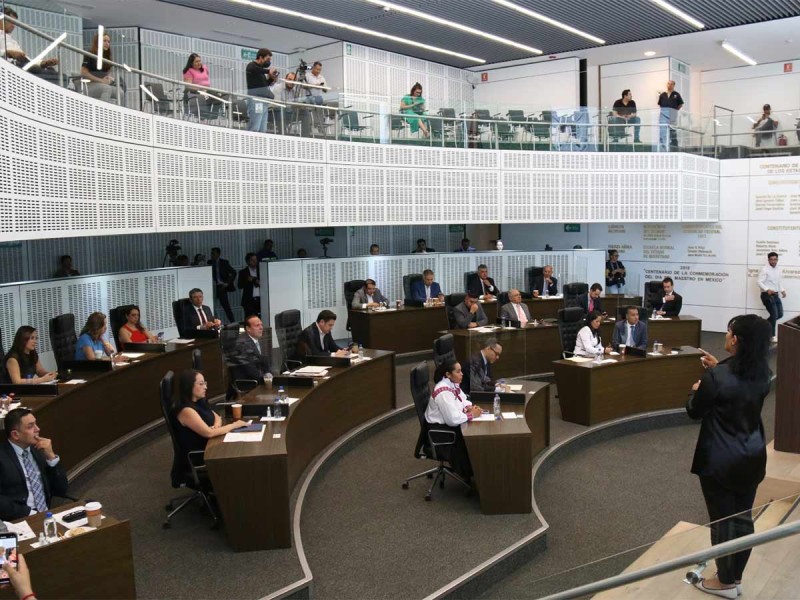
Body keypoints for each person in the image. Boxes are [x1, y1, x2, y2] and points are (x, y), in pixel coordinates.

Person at [686, 315, 772, 599]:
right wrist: (718, 366)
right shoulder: (763, 373)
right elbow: (737, 383)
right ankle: (735, 577)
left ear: (735, 339)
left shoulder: (715, 377)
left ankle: (724, 583)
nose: (725, 336)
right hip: (752, 455)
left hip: (719, 459)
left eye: (728, 332)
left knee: (722, 522)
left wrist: (695, 389)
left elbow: (695, 410)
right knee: (743, 519)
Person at [0, 408, 68, 521]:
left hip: (47, 514)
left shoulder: (39, 450)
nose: (38, 429)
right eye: (30, 426)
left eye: (36, 424)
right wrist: (30, 514)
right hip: (18, 519)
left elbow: (61, 490)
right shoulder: (2, 458)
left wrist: (51, 457)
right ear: (15, 434)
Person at [424, 359, 481, 480]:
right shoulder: (443, 392)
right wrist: (471, 415)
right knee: (473, 439)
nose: (462, 374)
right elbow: (452, 420)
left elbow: (462, 398)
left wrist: (469, 407)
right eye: (458, 371)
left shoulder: (452, 384)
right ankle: (472, 474)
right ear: (448, 374)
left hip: (447, 426)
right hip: (441, 433)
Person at [174, 370, 246, 457]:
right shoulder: (186, 410)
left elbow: (217, 417)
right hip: (202, 454)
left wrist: (216, 426)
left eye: (205, 383)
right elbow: (209, 433)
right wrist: (234, 425)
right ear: (188, 386)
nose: (205, 387)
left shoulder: (200, 401)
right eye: (201, 384)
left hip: (212, 445)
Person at [1, 7, 58, 72]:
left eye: (14, 23)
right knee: (35, 69)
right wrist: (8, 52)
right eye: (11, 22)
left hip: (23, 64)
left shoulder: (12, 40)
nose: (13, 26)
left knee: (53, 71)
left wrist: (43, 63)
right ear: (1, 19)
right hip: (12, 66)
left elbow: (27, 59)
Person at [245, 48, 278, 133]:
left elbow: (264, 85)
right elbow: (254, 69)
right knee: (255, 126)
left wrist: (271, 79)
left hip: (264, 101)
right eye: (267, 59)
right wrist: (268, 71)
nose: (269, 62)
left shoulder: (261, 71)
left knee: (262, 129)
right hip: (256, 100)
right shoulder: (252, 66)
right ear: (260, 57)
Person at [231, 315, 271, 381]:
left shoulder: (258, 340)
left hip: (259, 379)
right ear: (248, 328)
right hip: (249, 383)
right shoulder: (242, 345)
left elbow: (264, 361)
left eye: (261, 325)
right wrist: (267, 379)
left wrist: (268, 373)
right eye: (257, 325)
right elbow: (252, 372)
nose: (261, 328)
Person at [758, 252, 786, 342]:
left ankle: (762, 326)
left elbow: (779, 282)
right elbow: (759, 282)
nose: (773, 261)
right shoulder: (765, 269)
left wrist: (782, 290)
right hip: (767, 295)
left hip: (776, 294)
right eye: (771, 259)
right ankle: (772, 336)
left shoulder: (778, 269)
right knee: (774, 315)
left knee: (780, 314)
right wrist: (767, 289)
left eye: (775, 259)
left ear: (777, 259)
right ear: (768, 260)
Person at [81, 32, 115, 103]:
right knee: (107, 88)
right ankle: (102, 108)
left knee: (120, 92)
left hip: (102, 84)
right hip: (89, 85)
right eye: (104, 41)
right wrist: (101, 80)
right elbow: (83, 73)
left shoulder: (107, 58)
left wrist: (109, 78)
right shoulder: (90, 54)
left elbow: (107, 74)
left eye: (108, 42)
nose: (107, 43)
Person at [207, 247, 236, 323]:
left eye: (213, 253)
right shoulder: (209, 262)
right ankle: (213, 322)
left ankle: (233, 322)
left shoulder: (224, 262)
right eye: (211, 253)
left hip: (221, 286)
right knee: (211, 306)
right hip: (212, 287)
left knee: (226, 306)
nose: (212, 255)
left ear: (218, 254)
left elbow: (233, 272)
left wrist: (227, 283)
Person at [657, 80, 684, 151]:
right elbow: (660, 105)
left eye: (671, 84)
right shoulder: (663, 95)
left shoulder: (676, 94)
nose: (670, 85)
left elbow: (680, 104)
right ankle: (663, 148)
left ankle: (674, 148)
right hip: (663, 115)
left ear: (674, 85)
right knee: (662, 131)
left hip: (672, 114)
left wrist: (674, 110)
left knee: (672, 132)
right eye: (668, 84)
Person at [305, 61, 330, 133]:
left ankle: (321, 130)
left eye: (320, 70)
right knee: (310, 115)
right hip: (309, 97)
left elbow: (326, 90)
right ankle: (309, 130)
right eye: (317, 69)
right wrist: (314, 86)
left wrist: (322, 87)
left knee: (320, 114)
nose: (318, 71)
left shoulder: (321, 77)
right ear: (313, 68)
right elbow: (303, 86)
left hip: (318, 97)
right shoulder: (307, 75)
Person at [238, 253, 262, 317]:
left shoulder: (262, 270)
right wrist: (247, 281)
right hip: (248, 300)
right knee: (249, 318)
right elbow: (239, 286)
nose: (255, 261)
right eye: (252, 260)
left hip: (261, 298)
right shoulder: (243, 272)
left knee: (261, 317)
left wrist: (255, 280)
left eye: (255, 259)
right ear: (247, 262)